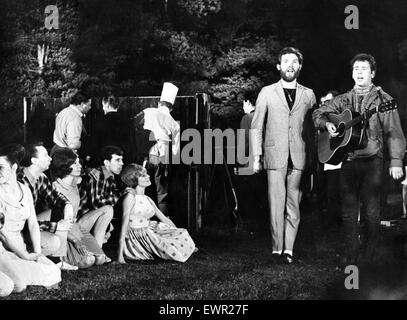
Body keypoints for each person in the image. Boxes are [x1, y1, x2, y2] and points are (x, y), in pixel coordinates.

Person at [312, 53, 406, 266]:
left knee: (372, 212)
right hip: (349, 160)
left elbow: (394, 132)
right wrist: (327, 125)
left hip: (373, 160)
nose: (359, 72)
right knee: (348, 211)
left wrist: (396, 161)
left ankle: (370, 256)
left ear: (372, 73)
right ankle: (351, 255)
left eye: (364, 68)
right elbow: (318, 113)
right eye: (356, 69)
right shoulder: (343, 99)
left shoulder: (384, 100)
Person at [251, 47, 316, 264]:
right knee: (275, 204)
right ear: (278, 66)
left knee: (294, 206)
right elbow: (256, 126)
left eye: (294, 61)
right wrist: (257, 156)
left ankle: (289, 250)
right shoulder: (267, 92)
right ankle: (276, 250)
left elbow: (313, 129)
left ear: (300, 66)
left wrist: (314, 158)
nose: (290, 65)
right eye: (286, 61)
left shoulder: (309, 94)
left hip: (299, 157)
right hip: (274, 156)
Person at [0, 144, 61, 290]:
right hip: (3, 249)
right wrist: (25, 256)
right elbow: (4, 234)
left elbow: (33, 223)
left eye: (1, 167)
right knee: (17, 285)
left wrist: (38, 254)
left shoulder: (24, 189)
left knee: (53, 272)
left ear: (14, 167)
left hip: (19, 246)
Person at [117, 164, 195, 263]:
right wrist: (120, 256)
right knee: (169, 249)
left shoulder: (147, 198)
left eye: (146, 174)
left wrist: (177, 232)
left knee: (182, 232)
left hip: (149, 229)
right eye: (143, 175)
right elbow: (124, 225)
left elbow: (164, 219)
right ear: (134, 179)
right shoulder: (130, 197)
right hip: (137, 236)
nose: (148, 176)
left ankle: (186, 245)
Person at [17, 142, 77, 270]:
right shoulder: (20, 181)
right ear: (34, 160)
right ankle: (24, 256)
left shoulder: (41, 177)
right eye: (45, 156)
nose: (50, 158)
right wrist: (56, 226)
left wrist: (68, 206)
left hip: (30, 224)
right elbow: (21, 223)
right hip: (17, 230)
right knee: (54, 242)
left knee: (61, 208)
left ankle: (58, 261)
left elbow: (56, 197)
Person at [50, 148, 110, 268]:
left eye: (79, 162)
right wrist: (75, 241)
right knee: (88, 261)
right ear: (65, 165)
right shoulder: (55, 188)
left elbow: (89, 175)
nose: (79, 166)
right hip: (61, 230)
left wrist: (93, 170)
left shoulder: (74, 181)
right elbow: (54, 223)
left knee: (100, 260)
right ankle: (61, 258)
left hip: (76, 226)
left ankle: (91, 250)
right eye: (75, 163)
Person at [133, 82, 180, 216]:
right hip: (163, 156)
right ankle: (163, 220)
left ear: (159, 103)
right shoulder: (174, 123)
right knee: (162, 192)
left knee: (142, 187)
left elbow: (134, 122)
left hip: (147, 153)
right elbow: (176, 150)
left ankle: (141, 216)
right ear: (171, 108)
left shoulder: (148, 111)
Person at [78, 145, 124, 249]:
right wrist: (119, 193)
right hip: (78, 223)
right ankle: (97, 251)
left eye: (121, 160)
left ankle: (97, 251)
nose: (122, 163)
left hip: (88, 220)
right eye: (117, 160)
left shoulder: (110, 177)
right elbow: (97, 203)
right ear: (107, 163)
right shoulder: (97, 175)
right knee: (108, 209)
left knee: (110, 221)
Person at [51, 90, 92, 156]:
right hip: (65, 154)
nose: (90, 107)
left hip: (57, 150)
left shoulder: (64, 111)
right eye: (89, 105)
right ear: (82, 104)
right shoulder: (75, 117)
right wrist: (82, 143)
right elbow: (73, 144)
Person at [92, 95, 130, 163]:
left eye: (103, 105)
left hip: (105, 159)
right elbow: (130, 143)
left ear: (107, 105)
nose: (103, 108)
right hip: (122, 159)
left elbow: (95, 143)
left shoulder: (100, 122)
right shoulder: (127, 122)